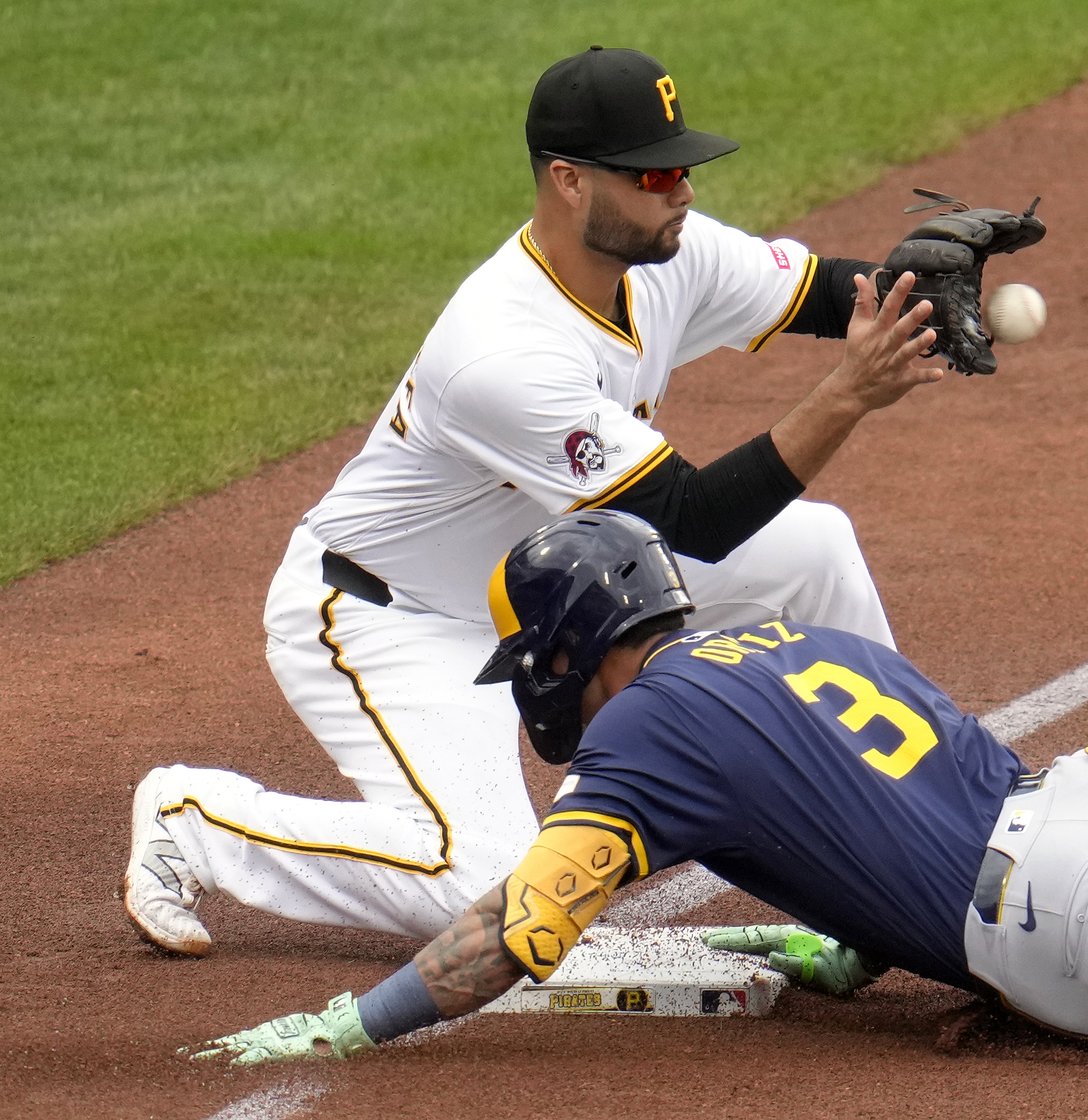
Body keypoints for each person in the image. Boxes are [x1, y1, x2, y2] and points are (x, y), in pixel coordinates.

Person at [121, 43, 1038, 956]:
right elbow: (691, 522)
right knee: (487, 890)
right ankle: (197, 820)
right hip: (394, 615)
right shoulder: (500, 352)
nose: (678, 190)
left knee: (815, 550)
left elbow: (832, 295)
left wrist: (914, 295)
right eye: (653, 174)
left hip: (566, 591)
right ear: (568, 181)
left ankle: (916, 817)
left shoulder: (665, 249)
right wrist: (849, 393)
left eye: (681, 166)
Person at [190, 510, 1088, 1066]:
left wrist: (353, 1021)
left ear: (569, 645)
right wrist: (852, 950)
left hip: (1073, 919)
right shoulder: (787, 641)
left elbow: (508, 932)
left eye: (538, 663)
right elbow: (896, 808)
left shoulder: (643, 739)